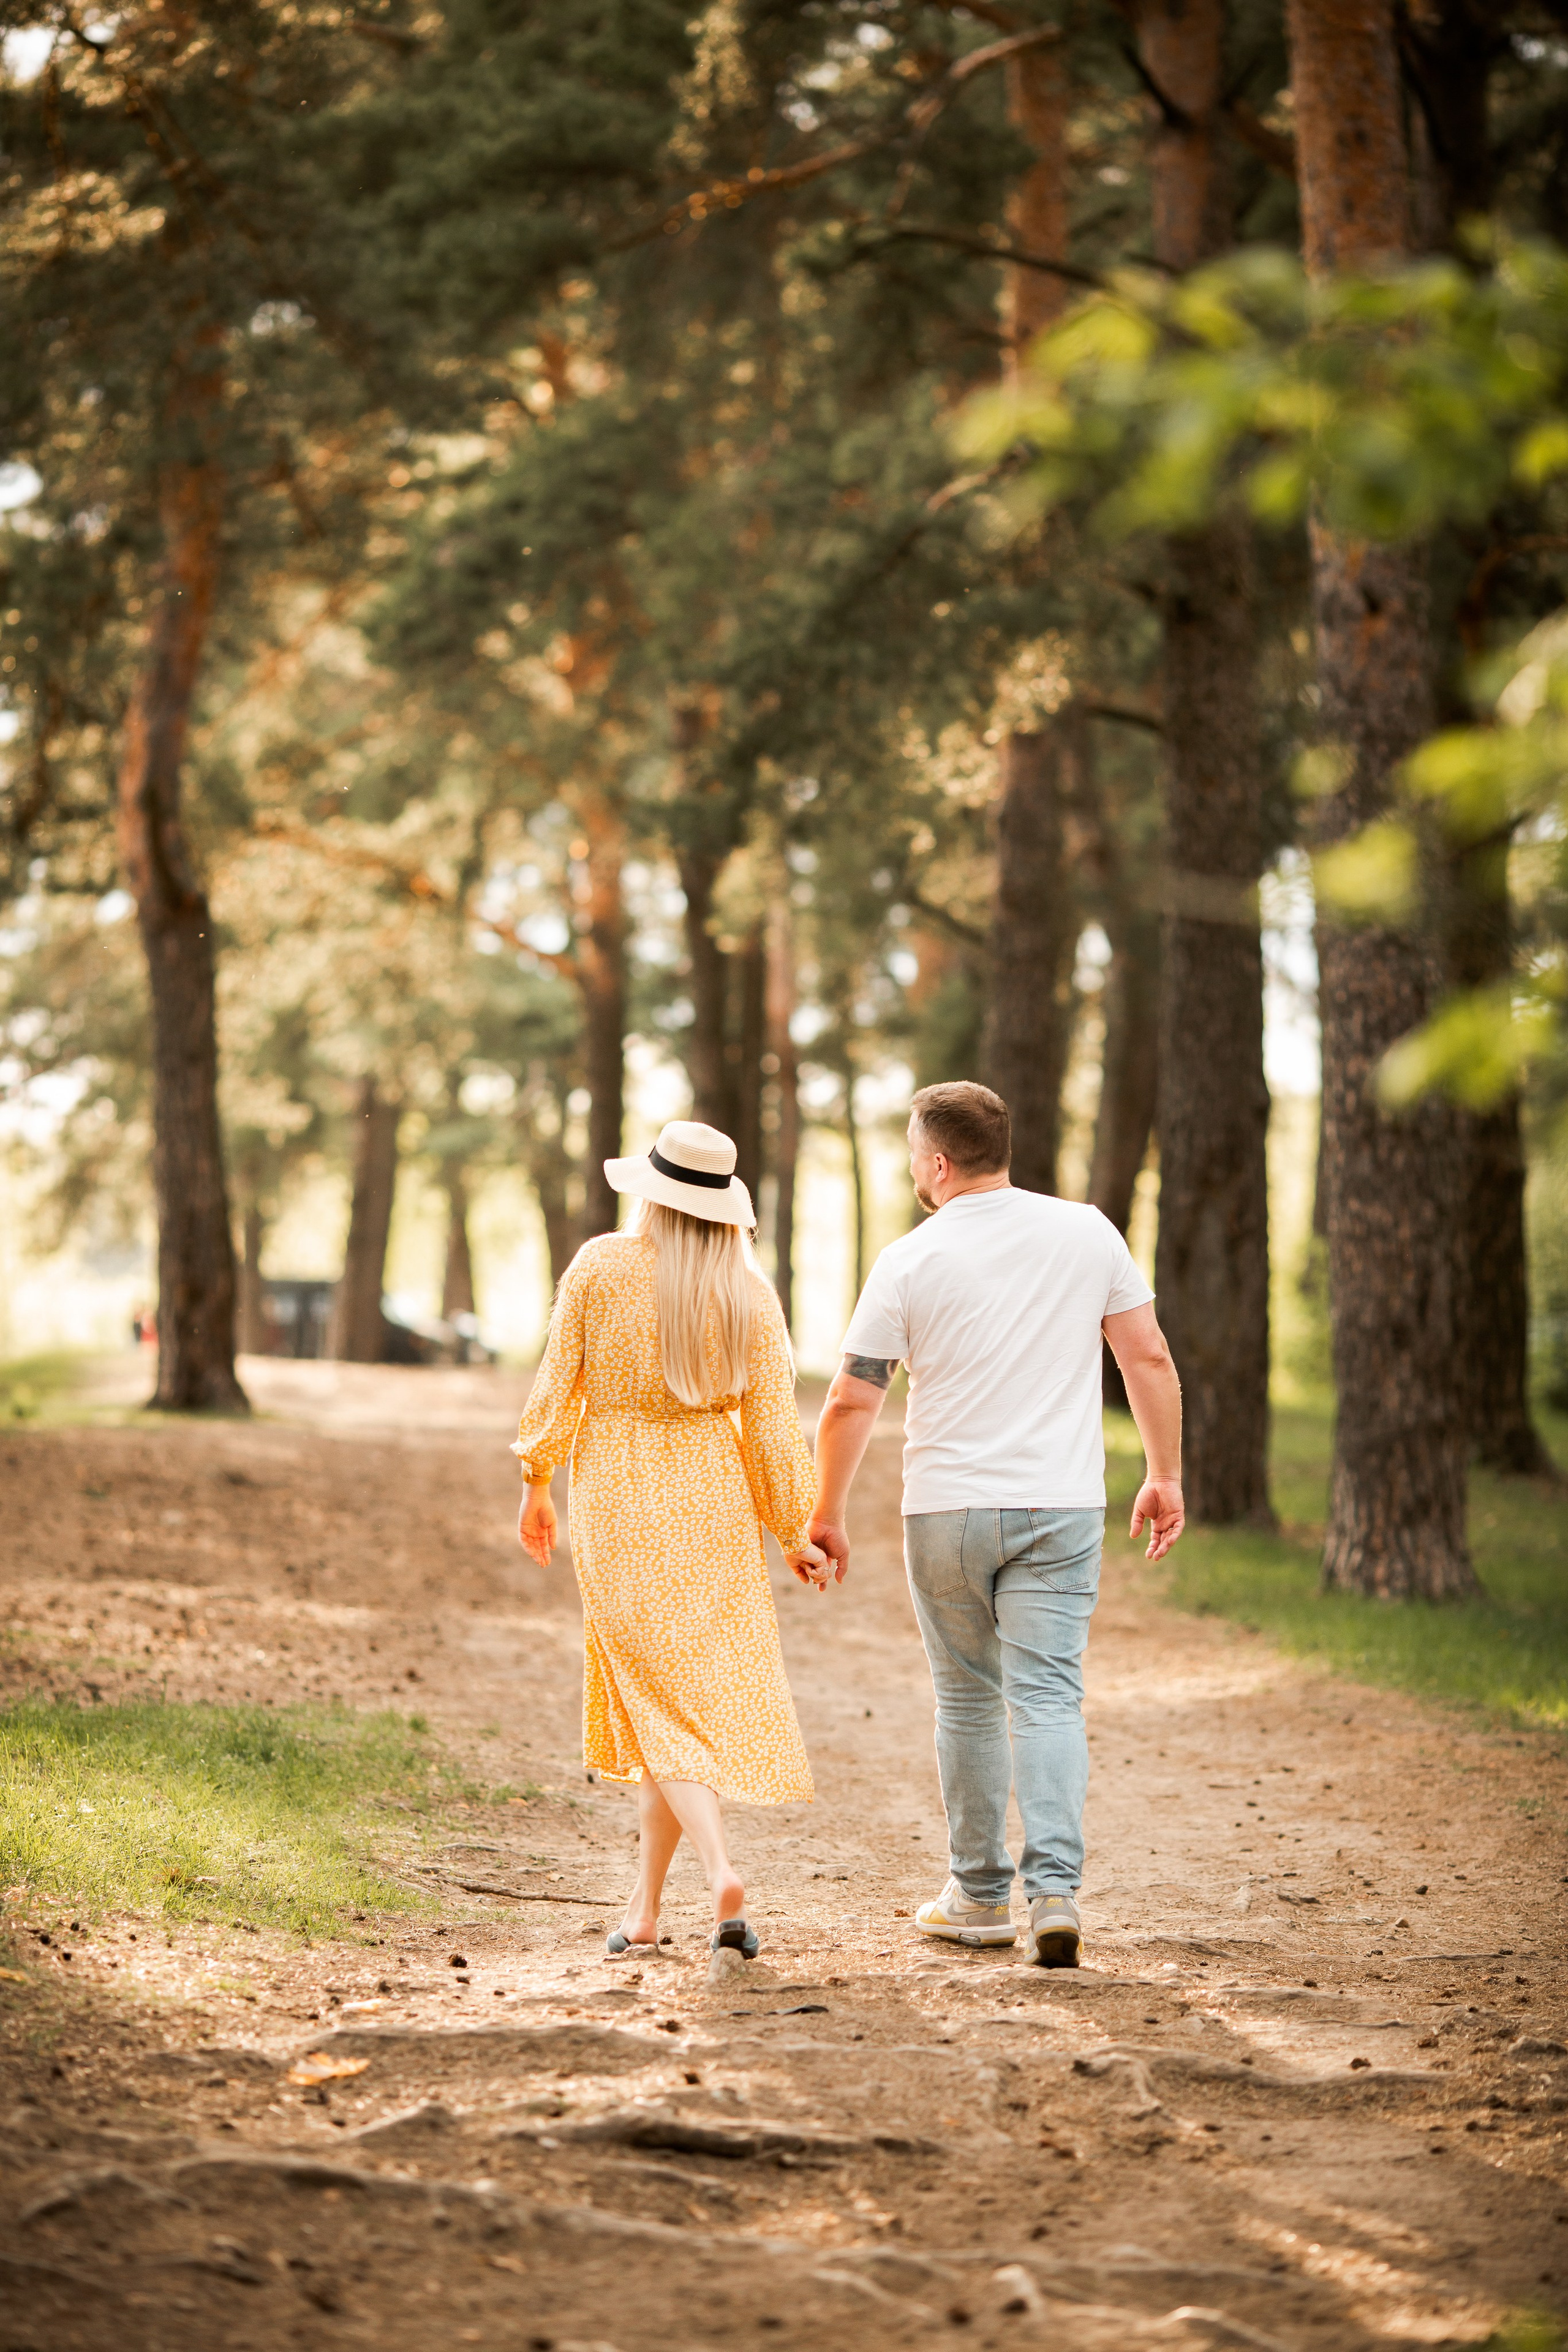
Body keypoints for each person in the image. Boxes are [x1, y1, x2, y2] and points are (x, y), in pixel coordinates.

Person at [807, 1080, 1185, 1969]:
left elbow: (852, 1397)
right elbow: (1148, 1353)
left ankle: (978, 1899)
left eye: (911, 1153)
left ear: (937, 1163)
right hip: (1061, 1506)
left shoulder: (908, 1259)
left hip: (948, 1510)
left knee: (969, 1699)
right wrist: (1163, 1474)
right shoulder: (1088, 1230)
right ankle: (1054, 1894)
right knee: (1048, 1695)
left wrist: (826, 1512)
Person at [513, 1119, 829, 1962]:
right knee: (672, 1699)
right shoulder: (748, 1291)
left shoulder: (600, 1265)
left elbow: (557, 1387)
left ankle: (722, 1869)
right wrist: (795, 1530)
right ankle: (645, 1910)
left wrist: (536, 1482)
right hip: (712, 1497)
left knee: (656, 1702)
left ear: (649, 1191)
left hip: (617, 1490)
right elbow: (771, 1429)